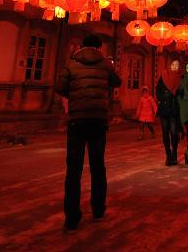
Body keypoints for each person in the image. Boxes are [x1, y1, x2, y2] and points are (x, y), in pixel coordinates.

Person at [54, 35, 121, 232]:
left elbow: (59, 87)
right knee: (97, 166)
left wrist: (73, 96)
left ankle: (72, 219)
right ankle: (98, 210)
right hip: (98, 120)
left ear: (83, 46)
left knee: (73, 170)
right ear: (99, 47)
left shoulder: (72, 64)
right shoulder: (105, 65)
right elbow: (117, 82)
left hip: (77, 121)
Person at [155, 59, 182, 165]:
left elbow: (183, 91)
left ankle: (174, 153)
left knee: (174, 132)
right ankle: (168, 155)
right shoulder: (164, 75)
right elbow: (158, 89)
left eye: (177, 65)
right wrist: (161, 98)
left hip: (175, 108)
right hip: (164, 108)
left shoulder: (181, 76)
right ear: (170, 65)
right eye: (173, 64)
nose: (175, 67)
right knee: (165, 133)